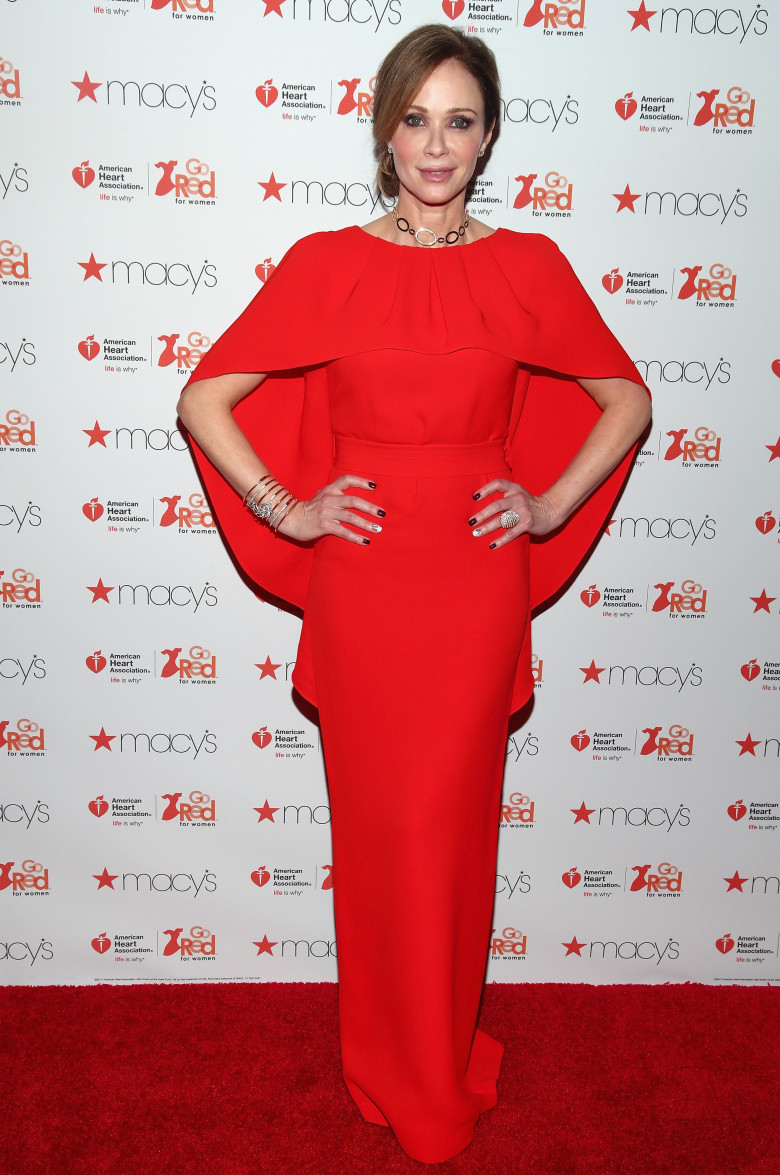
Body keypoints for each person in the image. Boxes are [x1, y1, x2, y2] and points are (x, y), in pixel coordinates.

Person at [177, 23, 651, 1165]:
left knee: (453, 833)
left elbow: (624, 399)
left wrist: (543, 503)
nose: (435, 145)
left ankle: (432, 1062)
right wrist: (288, 505)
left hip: (475, 585)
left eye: (460, 120)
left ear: (489, 139)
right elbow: (206, 398)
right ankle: (386, 1056)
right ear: (383, 129)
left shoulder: (528, 266)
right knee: (384, 830)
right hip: (369, 585)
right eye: (415, 118)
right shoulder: (327, 260)